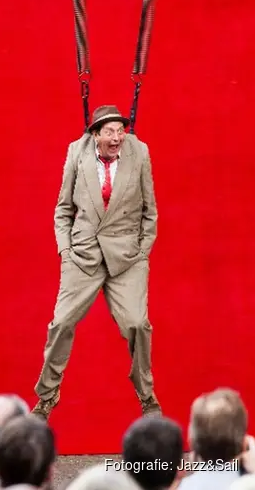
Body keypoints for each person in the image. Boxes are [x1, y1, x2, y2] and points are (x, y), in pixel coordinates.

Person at [31, 105, 161, 420]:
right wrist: (65, 250)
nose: (117, 138)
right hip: (83, 253)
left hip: (126, 256)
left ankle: (146, 396)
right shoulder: (76, 152)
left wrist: (142, 252)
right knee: (61, 324)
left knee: (136, 325)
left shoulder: (139, 152)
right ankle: (47, 396)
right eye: (109, 132)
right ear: (96, 134)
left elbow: (150, 210)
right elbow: (63, 208)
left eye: (121, 130)